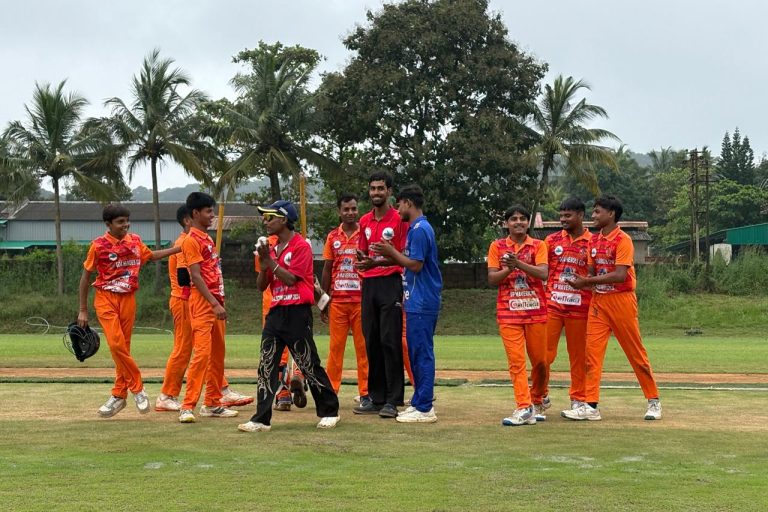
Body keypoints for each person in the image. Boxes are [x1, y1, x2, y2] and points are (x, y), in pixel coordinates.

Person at [238, 200, 340, 432]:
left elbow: (292, 279)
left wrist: (270, 263)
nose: (266, 222)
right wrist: (264, 265)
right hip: (276, 313)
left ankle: (330, 411)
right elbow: (261, 286)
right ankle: (261, 419)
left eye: (270, 217)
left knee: (308, 364)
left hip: (297, 313)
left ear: (284, 219)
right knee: (266, 365)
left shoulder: (301, 246)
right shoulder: (271, 249)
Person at [563, 195, 662, 421]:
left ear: (611, 214)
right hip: (599, 302)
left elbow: (619, 275)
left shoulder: (623, 240)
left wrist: (586, 282)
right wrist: (576, 279)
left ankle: (654, 401)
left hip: (622, 301)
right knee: (592, 355)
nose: (594, 216)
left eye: (597, 212)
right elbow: (591, 273)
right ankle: (591, 406)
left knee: (635, 354)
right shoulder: (594, 241)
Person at [77, 204, 180, 418]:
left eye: (127, 220)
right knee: (116, 344)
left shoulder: (135, 241)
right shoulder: (98, 246)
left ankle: (118, 395)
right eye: (120, 222)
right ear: (108, 224)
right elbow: (85, 278)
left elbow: (151, 256)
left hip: (128, 299)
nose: (126, 225)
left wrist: (179, 249)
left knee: (122, 349)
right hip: (105, 298)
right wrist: (83, 310)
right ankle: (138, 389)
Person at [156, 206, 253, 412]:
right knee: (186, 349)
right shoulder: (185, 242)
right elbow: (186, 277)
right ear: (188, 219)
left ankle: (220, 390)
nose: (210, 217)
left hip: (196, 299)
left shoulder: (203, 240)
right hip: (185, 299)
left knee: (211, 348)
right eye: (206, 212)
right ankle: (167, 394)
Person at [372, 185, 442, 423]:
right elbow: (405, 263)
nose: (397, 208)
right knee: (414, 352)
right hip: (415, 300)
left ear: (408, 204)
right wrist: (380, 259)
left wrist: (390, 250)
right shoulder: (415, 229)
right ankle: (419, 401)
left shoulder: (420, 229)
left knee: (421, 353)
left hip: (423, 301)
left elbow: (416, 264)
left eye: (399, 203)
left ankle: (425, 407)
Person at [178, 192, 239, 423]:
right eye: (208, 211)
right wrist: (213, 303)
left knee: (217, 355)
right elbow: (195, 276)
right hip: (203, 304)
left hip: (216, 302)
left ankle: (212, 403)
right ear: (195, 214)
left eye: (212, 210)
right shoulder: (191, 240)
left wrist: (219, 301)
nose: (212, 215)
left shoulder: (207, 239)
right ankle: (187, 406)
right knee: (202, 354)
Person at [353, 171, 410, 418]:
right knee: (372, 340)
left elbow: (402, 256)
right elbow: (363, 253)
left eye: (381, 188)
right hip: (369, 286)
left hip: (390, 283)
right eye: (373, 188)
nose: (376, 192)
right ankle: (375, 398)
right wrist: (364, 261)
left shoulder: (399, 219)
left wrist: (375, 263)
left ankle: (393, 399)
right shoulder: (364, 221)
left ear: (389, 191)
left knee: (390, 340)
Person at [487, 205, 549, 427]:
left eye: (523, 219)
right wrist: (509, 269)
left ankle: (538, 398)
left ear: (528, 222)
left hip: (536, 312)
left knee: (541, 362)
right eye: (513, 219)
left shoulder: (539, 245)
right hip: (508, 313)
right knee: (517, 362)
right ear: (507, 223)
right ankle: (524, 406)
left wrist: (518, 263)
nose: (518, 222)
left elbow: (543, 273)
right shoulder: (497, 246)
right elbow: (493, 279)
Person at [540, 197, 593, 420]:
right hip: (552, 305)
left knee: (578, 356)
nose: (563, 219)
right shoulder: (551, 241)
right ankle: (539, 397)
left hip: (580, 307)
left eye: (567, 215)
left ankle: (578, 399)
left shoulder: (593, 242)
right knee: (543, 354)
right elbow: (542, 269)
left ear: (580, 215)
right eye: (561, 215)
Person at [320, 194, 369, 404]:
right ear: (339, 212)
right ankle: (331, 392)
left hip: (361, 301)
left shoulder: (365, 234)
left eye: (353, 209)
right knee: (335, 350)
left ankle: (366, 393)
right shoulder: (332, 237)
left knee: (363, 349)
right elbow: (327, 269)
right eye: (346, 209)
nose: (350, 213)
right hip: (338, 303)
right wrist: (323, 301)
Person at [254, 234, 306, 412]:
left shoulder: (263, 244)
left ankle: (282, 393)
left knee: (275, 353)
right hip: (293, 299)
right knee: (300, 345)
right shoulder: (299, 242)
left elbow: (261, 277)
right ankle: (299, 373)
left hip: (272, 301)